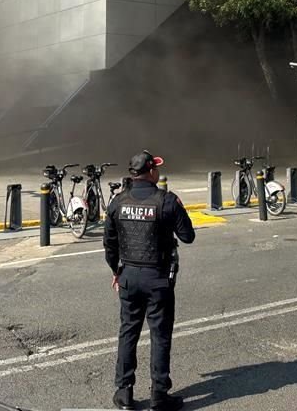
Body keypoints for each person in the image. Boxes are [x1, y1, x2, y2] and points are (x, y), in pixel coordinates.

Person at [104, 150, 195, 411]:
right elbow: (187, 236)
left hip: (129, 276)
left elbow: (109, 244)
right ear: (151, 172)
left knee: (128, 332)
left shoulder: (117, 202)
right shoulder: (166, 201)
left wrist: (116, 272)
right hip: (157, 279)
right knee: (160, 335)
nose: (158, 171)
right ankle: (159, 395)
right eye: (156, 168)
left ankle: (124, 393)